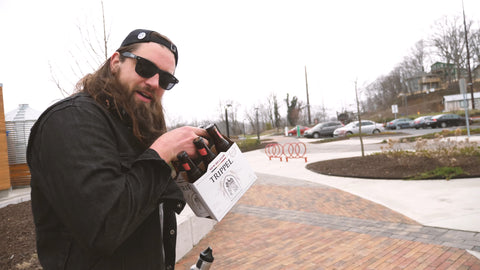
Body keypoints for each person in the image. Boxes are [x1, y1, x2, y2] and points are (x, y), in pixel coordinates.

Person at [27, 29, 207, 270]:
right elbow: (103, 227)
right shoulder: (70, 120)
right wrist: (162, 151)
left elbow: (146, 203)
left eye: (165, 80)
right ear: (115, 62)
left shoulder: (137, 130)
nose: (154, 83)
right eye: (144, 68)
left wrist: (185, 174)